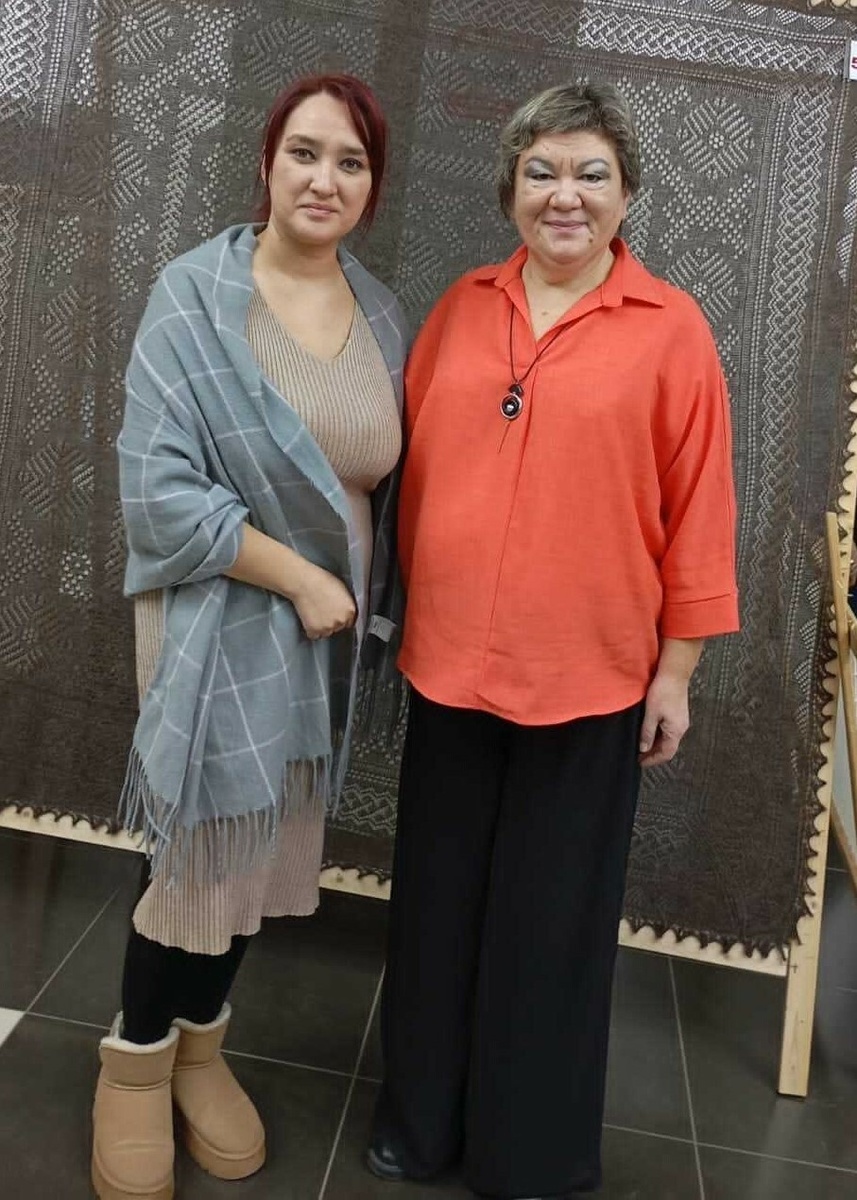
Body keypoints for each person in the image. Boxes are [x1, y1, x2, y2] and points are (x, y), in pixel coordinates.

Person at [368, 82, 739, 1198]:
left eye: (588, 174)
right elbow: (396, 459)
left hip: (589, 679)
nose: (563, 195)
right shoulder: (460, 307)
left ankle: (525, 1155)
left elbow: (700, 510)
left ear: (624, 194)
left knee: (548, 928)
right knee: (436, 911)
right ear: (509, 190)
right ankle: (418, 1127)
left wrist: (676, 671)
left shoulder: (671, 330)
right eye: (540, 171)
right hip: (447, 666)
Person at [91, 74, 407, 1200]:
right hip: (220, 617)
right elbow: (156, 490)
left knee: (270, 848)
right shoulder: (195, 296)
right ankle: (133, 1063)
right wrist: (298, 575)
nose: (324, 178)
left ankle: (200, 1047)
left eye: (351, 161)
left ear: (372, 186)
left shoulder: (383, 315)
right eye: (305, 152)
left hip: (326, 646)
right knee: (201, 849)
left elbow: (395, 477)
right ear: (268, 161)